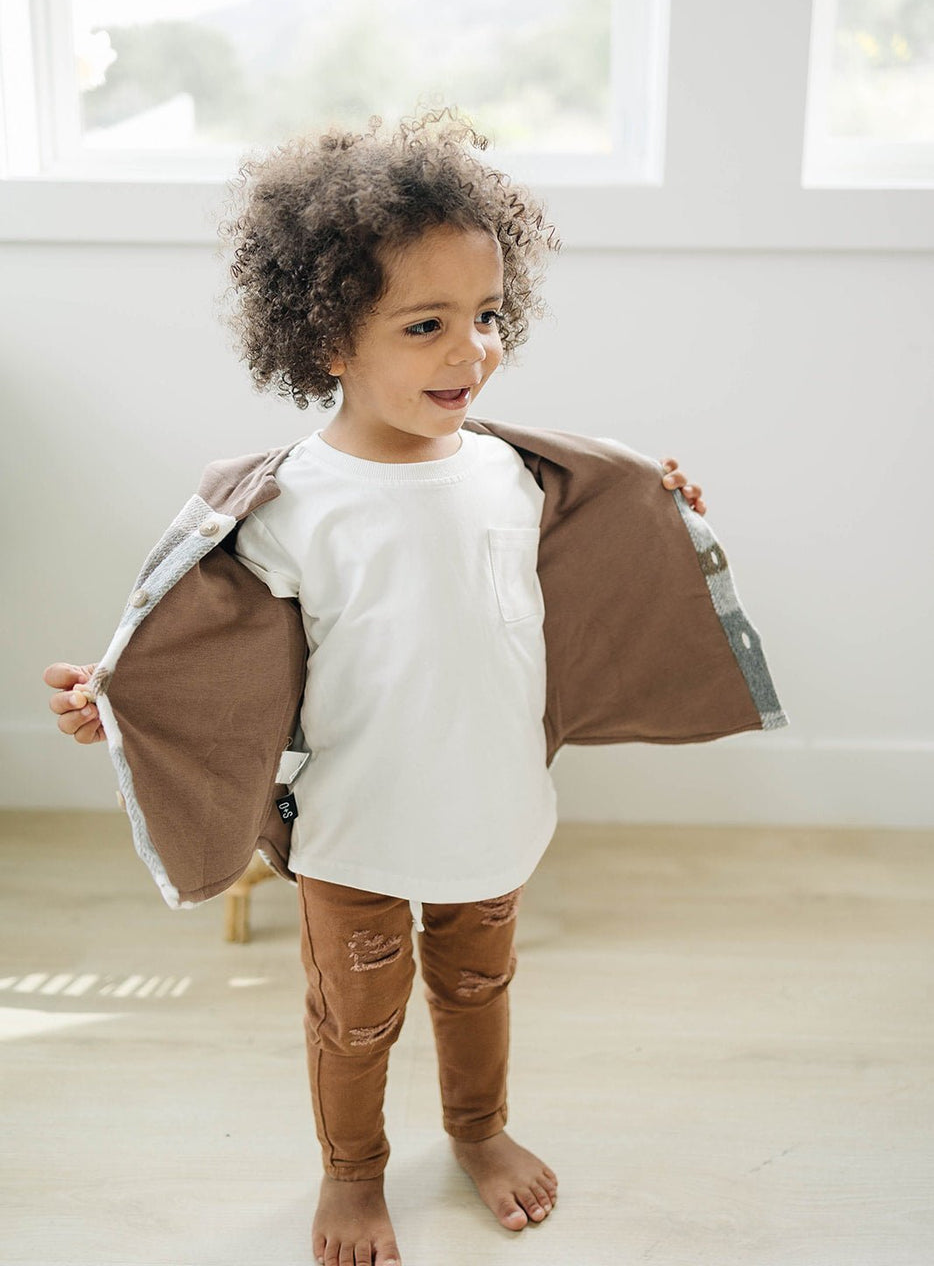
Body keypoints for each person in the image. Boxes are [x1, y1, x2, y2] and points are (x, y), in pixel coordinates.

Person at [44, 106, 727, 1266]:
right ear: (327, 340)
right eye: (427, 325)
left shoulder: (515, 475)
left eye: (489, 316)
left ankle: (479, 1129)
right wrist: (111, 698)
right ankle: (352, 1174)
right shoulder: (291, 503)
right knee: (354, 1021)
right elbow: (198, 644)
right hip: (355, 829)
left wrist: (655, 513)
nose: (472, 353)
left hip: (494, 811)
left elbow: (596, 542)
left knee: (479, 986)